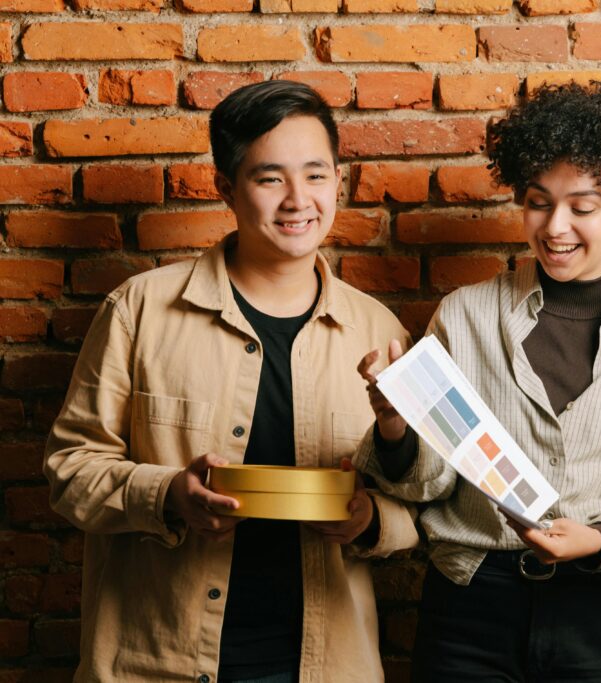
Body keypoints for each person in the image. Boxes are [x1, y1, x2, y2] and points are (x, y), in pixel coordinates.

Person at [43, 80, 419, 683]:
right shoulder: (140, 310)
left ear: (339, 181)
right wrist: (168, 495)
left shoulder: (381, 331)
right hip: (155, 662)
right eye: (270, 178)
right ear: (226, 187)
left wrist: (369, 521)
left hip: (325, 666)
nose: (298, 200)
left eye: (316, 175)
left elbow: (423, 499)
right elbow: (69, 470)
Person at [354, 81, 601, 682]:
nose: (555, 226)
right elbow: (430, 482)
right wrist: (394, 423)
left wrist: (597, 540)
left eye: (583, 206)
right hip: (469, 610)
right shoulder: (464, 315)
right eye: (539, 202)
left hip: (595, 612)